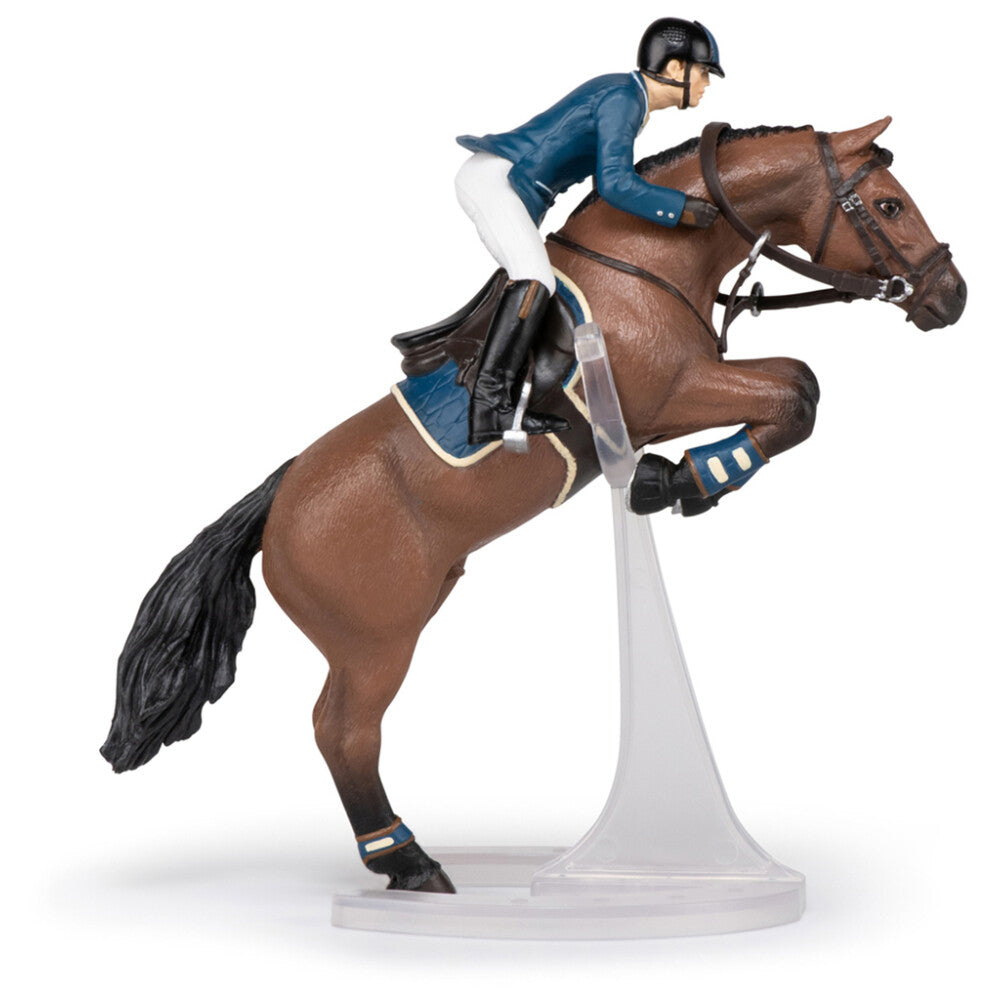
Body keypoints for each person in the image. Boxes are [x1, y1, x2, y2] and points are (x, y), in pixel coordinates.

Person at [456, 18, 724, 446]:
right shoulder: (624, 99)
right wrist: (680, 209)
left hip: (513, 187)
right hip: (497, 180)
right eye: (704, 72)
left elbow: (608, 184)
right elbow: (615, 184)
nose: (707, 84)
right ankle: (489, 406)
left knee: (534, 280)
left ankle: (510, 390)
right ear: (675, 68)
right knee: (535, 278)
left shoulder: (630, 100)